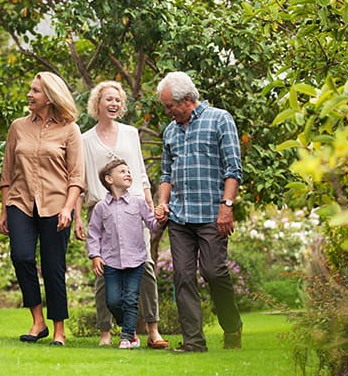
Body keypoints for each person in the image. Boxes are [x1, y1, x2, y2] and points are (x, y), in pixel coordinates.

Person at [73, 81, 169, 349]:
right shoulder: (85, 139)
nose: (114, 104)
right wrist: (78, 217)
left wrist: (150, 206)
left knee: (146, 268)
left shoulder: (130, 133)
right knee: (104, 273)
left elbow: (140, 174)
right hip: (100, 210)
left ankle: (153, 330)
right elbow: (80, 181)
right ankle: (105, 331)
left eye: (118, 100)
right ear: (97, 104)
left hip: (134, 208)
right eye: (108, 99)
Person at [154, 71, 243, 352]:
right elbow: (166, 174)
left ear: (188, 100)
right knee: (182, 276)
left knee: (214, 272)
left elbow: (233, 169)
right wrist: (163, 202)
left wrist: (227, 207)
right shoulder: (170, 131)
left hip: (212, 215)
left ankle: (232, 327)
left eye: (170, 106)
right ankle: (194, 341)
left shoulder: (220, 120)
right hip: (180, 217)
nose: (168, 112)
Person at [0, 72, 85, 346]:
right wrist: (3, 210)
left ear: (50, 96)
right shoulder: (18, 127)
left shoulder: (70, 129)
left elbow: (76, 177)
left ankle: (59, 329)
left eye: (35, 91)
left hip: (56, 205)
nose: (29, 95)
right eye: (30, 90)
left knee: (53, 266)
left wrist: (68, 209)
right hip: (20, 202)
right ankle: (38, 321)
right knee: (22, 257)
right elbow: (7, 173)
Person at [86, 159, 161, 349]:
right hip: (111, 262)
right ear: (109, 179)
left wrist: (161, 218)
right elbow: (93, 233)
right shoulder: (101, 208)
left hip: (136, 260)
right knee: (112, 301)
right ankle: (127, 326)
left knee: (130, 298)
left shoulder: (138, 202)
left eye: (129, 171)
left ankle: (128, 337)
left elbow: (152, 224)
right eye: (122, 171)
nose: (128, 174)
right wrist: (95, 255)